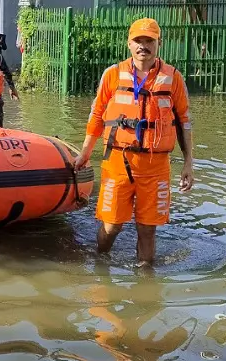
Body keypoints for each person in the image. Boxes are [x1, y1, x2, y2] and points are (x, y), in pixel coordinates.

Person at [73, 18, 194, 266]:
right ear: (129, 43)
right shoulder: (112, 74)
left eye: (149, 40)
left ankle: (146, 280)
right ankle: (100, 264)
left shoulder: (173, 78)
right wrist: (85, 152)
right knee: (112, 226)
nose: (143, 46)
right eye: (138, 40)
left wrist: (188, 163)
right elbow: (96, 116)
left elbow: (184, 121)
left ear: (159, 43)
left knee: (148, 229)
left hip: (155, 165)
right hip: (117, 161)